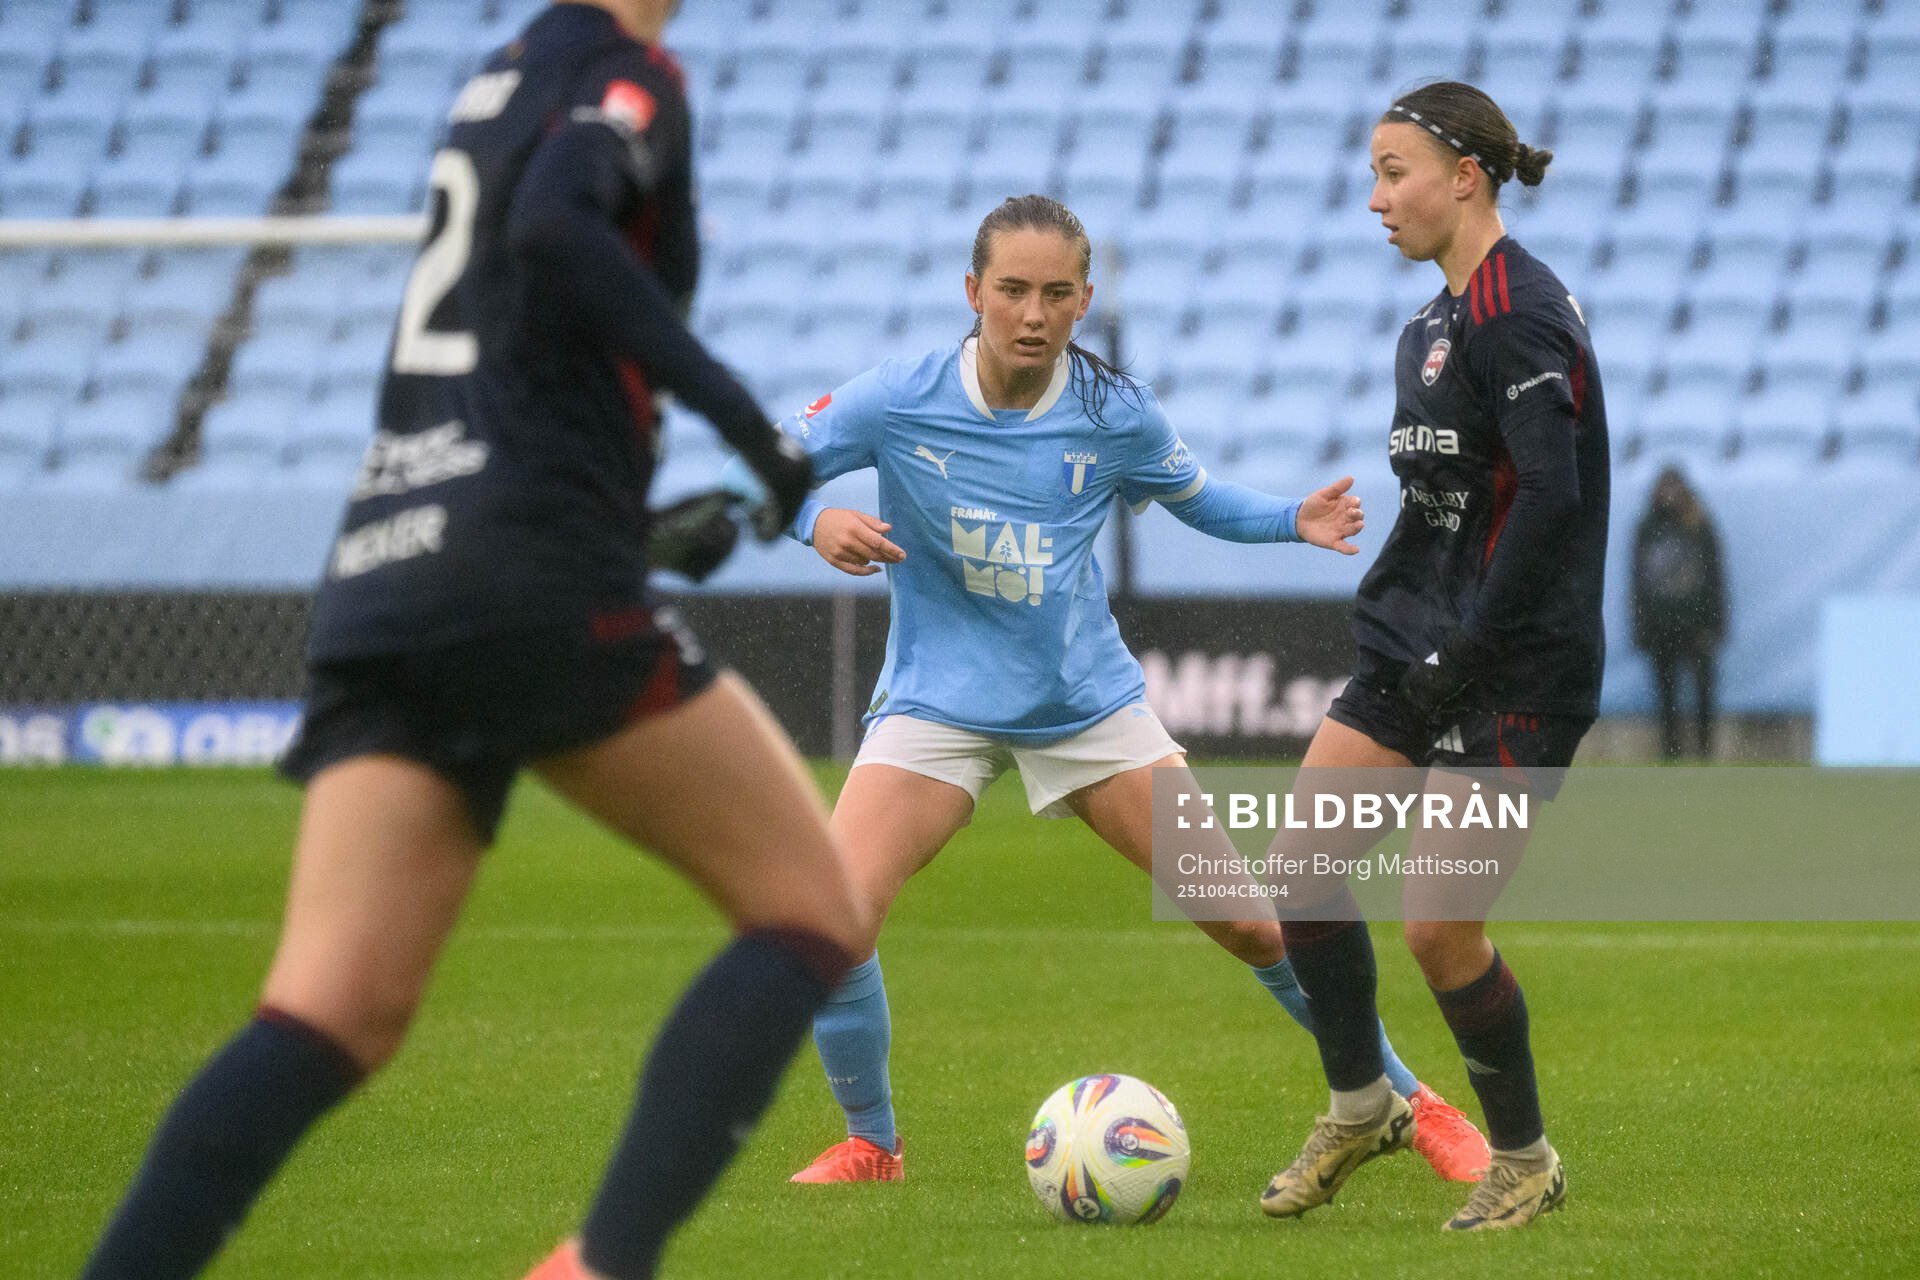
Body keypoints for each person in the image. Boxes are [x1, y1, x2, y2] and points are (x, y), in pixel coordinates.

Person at [78, 5, 866, 1279]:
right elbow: (556, 227)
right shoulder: (626, 75)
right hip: (529, 567)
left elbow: (511, 340)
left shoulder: (499, 81)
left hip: (394, 559)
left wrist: (624, 516)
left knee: (328, 1010)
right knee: (812, 909)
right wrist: (748, 426)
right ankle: (605, 1263)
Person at [727, 193, 1493, 1190]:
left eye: (1056, 293)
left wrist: (1289, 518)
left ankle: (1414, 1105)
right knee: (833, 919)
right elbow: (767, 469)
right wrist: (815, 522)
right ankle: (873, 1144)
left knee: (1252, 924)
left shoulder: (1111, 411)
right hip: (937, 704)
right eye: (1012, 290)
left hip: (1086, 707)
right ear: (972, 291)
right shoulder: (899, 396)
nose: (1032, 313)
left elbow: (1197, 497)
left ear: (1084, 300)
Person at [1253, 81, 1609, 1231]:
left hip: (1517, 666)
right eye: (1373, 172)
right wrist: (1418, 630)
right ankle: (1363, 1106)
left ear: (1465, 176)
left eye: (1391, 170)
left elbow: (1551, 499)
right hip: (1417, 643)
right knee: (1302, 870)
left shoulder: (1522, 310)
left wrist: (1473, 644)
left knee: (1439, 928)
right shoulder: (1429, 326)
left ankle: (1525, 1158)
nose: (1375, 197)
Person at [1632, 465, 1726, 760]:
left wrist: (1715, 625)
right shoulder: (1648, 528)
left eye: (1673, 487)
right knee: (1666, 696)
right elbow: (1638, 583)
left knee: (1704, 693)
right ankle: (1670, 753)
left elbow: (1715, 578)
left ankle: (1704, 752)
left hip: (1696, 627)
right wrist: (1641, 626)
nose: (1669, 494)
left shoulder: (1699, 525)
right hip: (1661, 628)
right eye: (1664, 488)